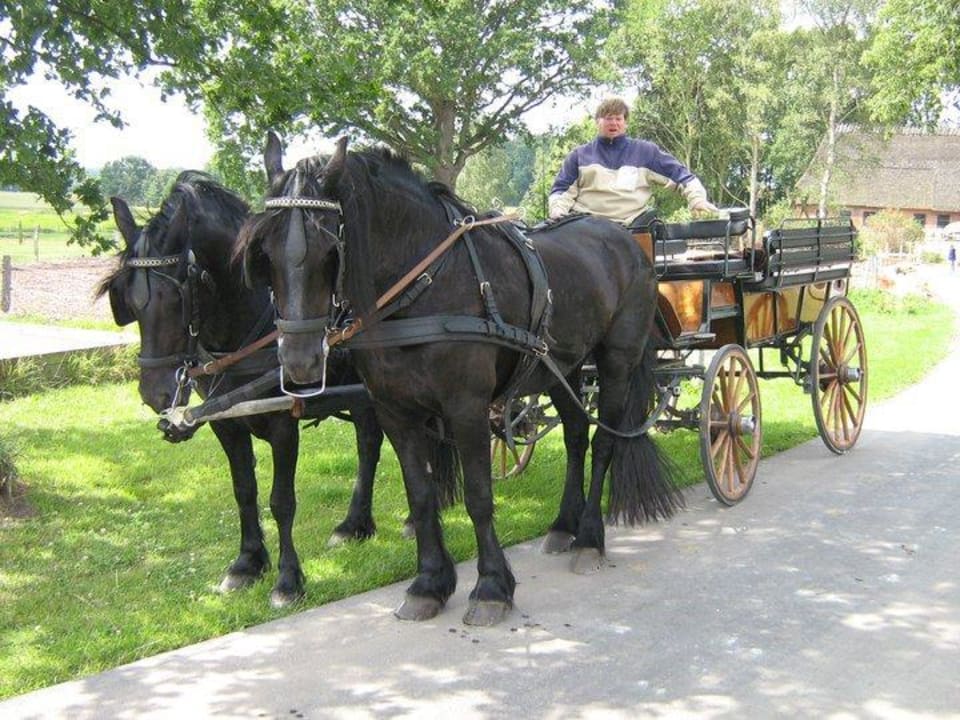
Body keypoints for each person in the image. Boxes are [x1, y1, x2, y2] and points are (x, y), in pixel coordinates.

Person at [548, 97, 717, 226]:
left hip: (631, 228)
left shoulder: (646, 152)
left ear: (625, 123)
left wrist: (697, 199)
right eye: (608, 118)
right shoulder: (578, 156)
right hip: (585, 227)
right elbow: (561, 191)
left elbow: (683, 177)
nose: (614, 123)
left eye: (618, 118)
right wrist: (557, 211)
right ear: (597, 122)